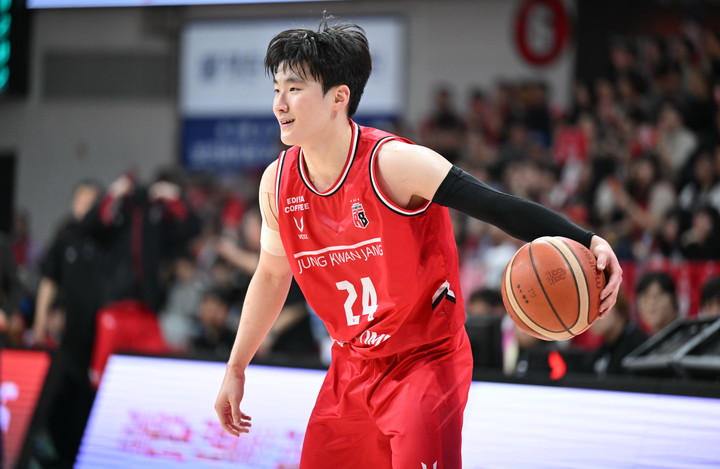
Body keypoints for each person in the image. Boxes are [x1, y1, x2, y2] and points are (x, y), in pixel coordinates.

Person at [214, 18, 622, 468]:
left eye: (294, 89)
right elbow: (272, 275)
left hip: (425, 361)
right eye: (276, 89)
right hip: (351, 365)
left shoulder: (394, 164)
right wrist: (236, 367)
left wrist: (587, 239)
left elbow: (497, 206)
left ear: (338, 97)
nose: (279, 104)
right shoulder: (277, 184)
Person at [29, 179, 105, 467]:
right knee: (60, 396)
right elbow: (49, 280)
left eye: (91, 202)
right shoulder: (65, 239)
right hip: (69, 338)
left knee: (90, 400)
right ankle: (62, 454)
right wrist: (40, 322)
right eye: (80, 201)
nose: (85, 208)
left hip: (101, 340)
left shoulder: (109, 240)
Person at [635, 271, 679, 335]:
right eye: (645, 299)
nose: (651, 303)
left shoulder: (689, 334)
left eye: (657, 296)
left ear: (673, 298)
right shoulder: (645, 339)